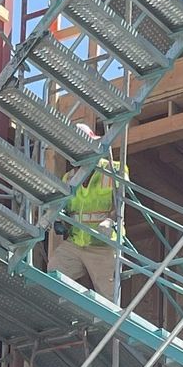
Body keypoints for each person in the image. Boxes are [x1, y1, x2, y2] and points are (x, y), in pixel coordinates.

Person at [50, 128, 124, 300]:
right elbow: (65, 206)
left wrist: (109, 220)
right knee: (53, 274)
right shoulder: (68, 178)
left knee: (109, 299)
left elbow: (121, 204)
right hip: (75, 243)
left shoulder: (115, 171)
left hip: (102, 244)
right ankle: (65, 317)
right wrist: (58, 218)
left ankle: (111, 326)